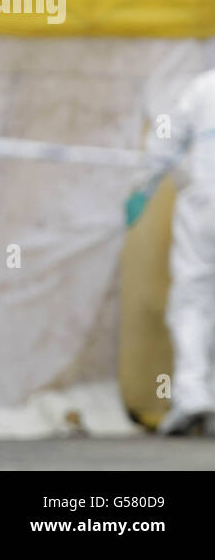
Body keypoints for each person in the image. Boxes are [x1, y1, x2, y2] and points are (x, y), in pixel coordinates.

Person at [158, 69, 215, 436]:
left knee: (193, 299)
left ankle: (194, 396)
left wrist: (141, 188)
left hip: (205, 205)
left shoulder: (202, 86)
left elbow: (163, 144)